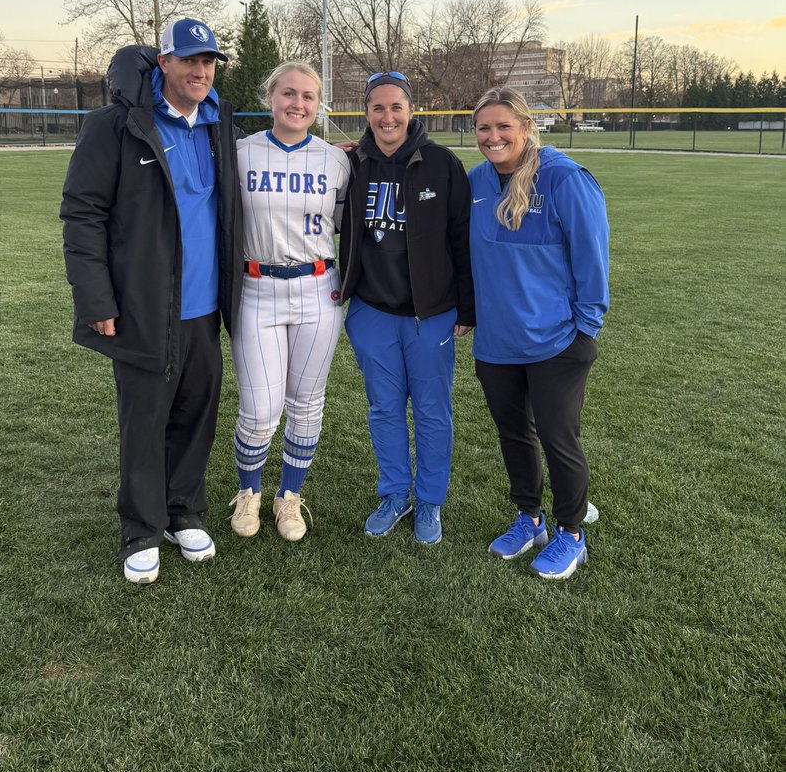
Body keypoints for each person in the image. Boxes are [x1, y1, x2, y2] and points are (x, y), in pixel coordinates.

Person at [60, 19, 243, 584]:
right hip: (143, 306)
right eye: (189, 60)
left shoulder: (219, 122)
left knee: (196, 412)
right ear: (162, 62)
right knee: (145, 420)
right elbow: (82, 213)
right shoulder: (116, 125)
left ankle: (182, 510)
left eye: (209, 61)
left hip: (206, 308)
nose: (201, 71)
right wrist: (96, 299)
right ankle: (141, 526)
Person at [468, 87, 609, 581]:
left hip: (557, 342)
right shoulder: (476, 183)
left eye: (503, 126)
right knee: (514, 435)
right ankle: (530, 520)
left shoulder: (565, 179)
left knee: (558, 437)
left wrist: (584, 329)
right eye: (484, 128)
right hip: (497, 343)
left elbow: (592, 261)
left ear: (526, 128)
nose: (493, 136)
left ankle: (572, 533)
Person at [339, 72, 474, 545]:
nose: (387, 116)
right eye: (378, 108)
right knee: (385, 408)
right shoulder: (353, 164)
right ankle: (396, 493)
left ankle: (430, 500)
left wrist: (466, 308)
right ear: (366, 114)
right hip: (372, 310)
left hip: (430, 313)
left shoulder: (441, 164)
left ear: (411, 110)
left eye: (396, 106)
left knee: (433, 410)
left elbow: (462, 240)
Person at [229, 63, 351, 542]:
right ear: (270, 97)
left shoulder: (336, 161)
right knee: (260, 410)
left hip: (318, 288)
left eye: (308, 96)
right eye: (288, 94)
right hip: (256, 288)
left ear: (318, 104)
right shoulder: (240, 154)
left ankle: (290, 496)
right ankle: (248, 492)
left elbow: (346, 227)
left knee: (305, 404)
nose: (297, 104)